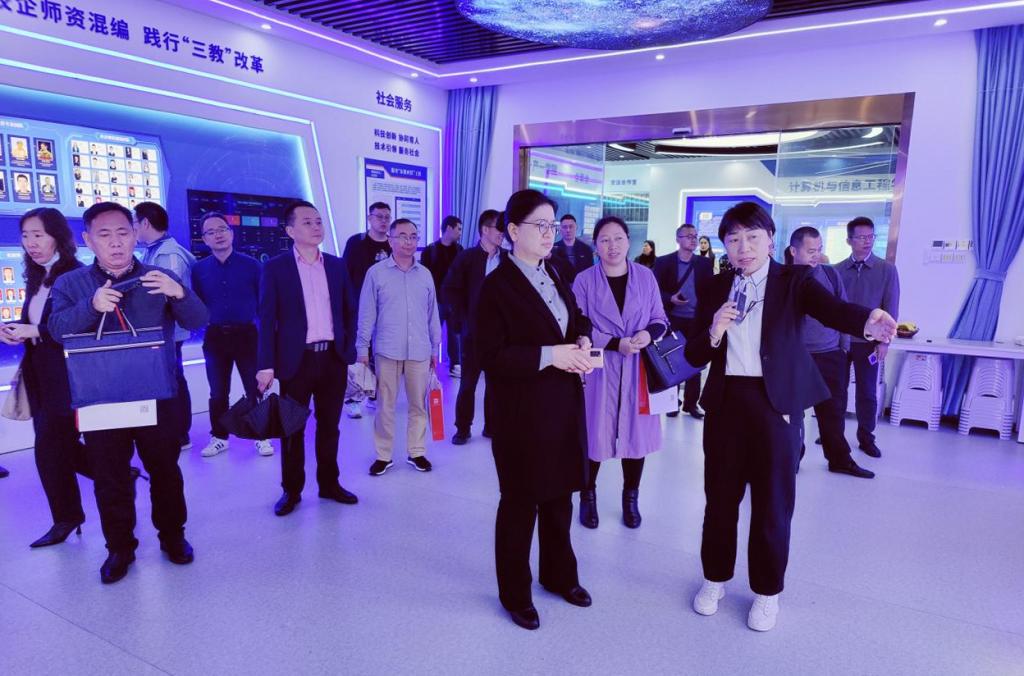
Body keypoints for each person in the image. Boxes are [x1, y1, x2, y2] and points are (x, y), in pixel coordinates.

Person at [684, 202, 896, 631]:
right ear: (725, 244)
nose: (743, 248)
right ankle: (714, 579)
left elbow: (832, 309)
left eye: (752, 238)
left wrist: (868, 319)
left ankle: (767, 592)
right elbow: (693, 353)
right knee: (720, 500)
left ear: (770, 241)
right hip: (726, 404)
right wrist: (714, 330)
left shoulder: (795, 281)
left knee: (773, 503)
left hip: (775, 404)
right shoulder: (714, 287)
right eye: (734, 239)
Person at [48, 201, 208, 584]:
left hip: (157, 395)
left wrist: (178, 293)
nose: (116, 242)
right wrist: (91, 306)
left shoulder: (158, 276)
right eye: (104, 235)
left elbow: (200, 319)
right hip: (101, 398)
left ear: (135, 234)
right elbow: (57, 330)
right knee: (110, 477)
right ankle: (119, 547)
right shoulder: (71, 283)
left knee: (165, 470)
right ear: (88, 240)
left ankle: (173, 536)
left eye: (123, 232)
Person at [476, 189, 595, 631]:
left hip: (562, 405)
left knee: (560, 496)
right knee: (520, 503)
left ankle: (559, 575)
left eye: (553, 226)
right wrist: (551, 355)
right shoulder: (496, 286)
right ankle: (515, 593)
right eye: (540, 226)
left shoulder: (555, 270)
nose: (549, 234)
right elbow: (491, 356)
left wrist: (581, 336)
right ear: (512, 230)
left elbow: (573, 318)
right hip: (520, 414)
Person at [256, 200, 359, 517]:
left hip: (332, 360)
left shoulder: (337, 266)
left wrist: (348, 349)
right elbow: (266, 319)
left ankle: (329, 484)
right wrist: (265, 364)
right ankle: (292, 490)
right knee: (292, 429)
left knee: (330, 427)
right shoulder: (276, 268)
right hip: (295, 361)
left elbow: (349, 311)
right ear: (290, 231)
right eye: (307, 222)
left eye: (318, 221)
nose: (316, 227)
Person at [0, 208, 89, 549]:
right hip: (39, 372)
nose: (31, 243)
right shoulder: (36, 275)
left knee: (49, 449)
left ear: (58, 236)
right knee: (58, 446)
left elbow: (81, 326)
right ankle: (113, 475)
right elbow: (36, 322)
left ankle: (67, 517)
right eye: (25, 236)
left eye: (38, 235)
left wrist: (35, 330)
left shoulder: (77, 275)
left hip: (68, 376)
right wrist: (16, 330)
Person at [572, 216, 667, 530]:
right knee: (593, 433)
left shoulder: (646, 277)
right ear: (596, 246)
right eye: (604, 240)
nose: (612, 246)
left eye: (618, 238)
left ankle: (630, 497)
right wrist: (615, 343)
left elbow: (659, 318)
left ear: (629, 241)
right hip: (598, 367)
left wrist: (648, 335)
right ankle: (587, 495)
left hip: (638, 368)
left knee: (635, 435)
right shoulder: (584, 280)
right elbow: (578, 323)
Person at [787, 227, 874, 479]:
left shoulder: (830, 274)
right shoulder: (784, 279)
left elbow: (842, 310)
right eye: (810, 250)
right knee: (792, 414)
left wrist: (843, 348)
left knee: (833, 411)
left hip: (831, 354)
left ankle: (839, 459)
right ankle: (791, 458)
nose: (816, 255)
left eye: (819, 249)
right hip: (796, 356)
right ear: (793, 251)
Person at [357, 219, 441, 476]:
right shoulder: (376, 273)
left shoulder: (425, 274)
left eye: (413, 236)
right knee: (385, 405)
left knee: (419, 405)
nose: (409, 241)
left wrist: (435, 349)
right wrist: (362, 349)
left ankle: (417, 451)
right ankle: (383, 455)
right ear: (390, 240)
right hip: (387, 350)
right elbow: (367, 313)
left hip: (419, 350)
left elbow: (432, 314)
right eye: (402, 236)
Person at [191, 212, 272, 458]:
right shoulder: (199, 269)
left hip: (247, 335)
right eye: (211, 232)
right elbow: (197, 303)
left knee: (254, 388)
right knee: (217, 392)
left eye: (222, 229)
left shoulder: (252, 265)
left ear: (231, 233)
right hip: (215, 337)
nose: (218, 235)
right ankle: (219, 437)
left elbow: (264, 304)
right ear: (205, 239)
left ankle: (261, 435)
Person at [134, 202, 197, 451]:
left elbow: (168, 296)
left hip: (169, 332)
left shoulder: (169, 255)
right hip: (159, 331)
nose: (133, 229)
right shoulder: (154, 251)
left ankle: (180, 434)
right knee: (169, 378)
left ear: (145, 223)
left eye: (134, 223)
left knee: (174, 379)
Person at [836, 216, 899, 458]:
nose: (867, 241)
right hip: (840, 341)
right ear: (849, 240)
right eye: (861, 237)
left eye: (871, 236)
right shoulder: (837, 270)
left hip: (869, 344)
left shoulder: (886, 270)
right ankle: (833, 433)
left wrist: (884, 341)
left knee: (867, 392)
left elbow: (891, 308)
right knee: (836, 391)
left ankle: (866, 437)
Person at [442, 209, 505, 445]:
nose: (503, 233)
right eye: (499, 228)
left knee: (496, 384)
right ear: (485, 229)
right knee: (468, 383)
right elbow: (449, 289)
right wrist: (461, 320)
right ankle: (462, 428)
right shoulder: (467, 257)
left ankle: (492, 426)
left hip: (500, 334)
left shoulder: (507, 259)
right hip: (473, 333)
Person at [653, 224, 714, 419]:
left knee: (695, 362)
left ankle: (691, 404)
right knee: (673, 361)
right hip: (673, 319)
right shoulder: (663, 262)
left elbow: (709, 291)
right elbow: (654, 290)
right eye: (688, 236)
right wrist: (670, 298)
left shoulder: (704, 263)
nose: (693, 239)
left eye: (695, 236)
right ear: (678, 239)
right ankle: (672, 403)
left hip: (696, 320)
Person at [340, 201, 392, 419]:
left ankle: (373, 395)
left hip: (385, 310)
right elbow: (344, 274)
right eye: (379, 216)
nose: (383, 221)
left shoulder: (392, 244)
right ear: (370, 218)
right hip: (358, 309)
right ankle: (352, 399)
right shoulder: (356, 242)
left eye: (387, 217)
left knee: (380, 355)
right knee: (357, 355)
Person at [420, 215, 463, 377]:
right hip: (435, 300)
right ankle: (427, 364)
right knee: (432, 334)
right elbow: (423, 277)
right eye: (458, 229)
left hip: (454, 301)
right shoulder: (430, 250)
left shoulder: (460, 250)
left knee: (455, 333)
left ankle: (455, 364)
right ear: (449, 228)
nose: (460, 233)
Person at [550, 213, 594, 283]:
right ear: (560, 229)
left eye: (571, 227)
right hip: (560, 286)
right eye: (565, 227)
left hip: (581, 285)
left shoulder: (586, 249)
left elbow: (590, 273)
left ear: (576, 227)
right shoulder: (553, 249)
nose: (568, 230)